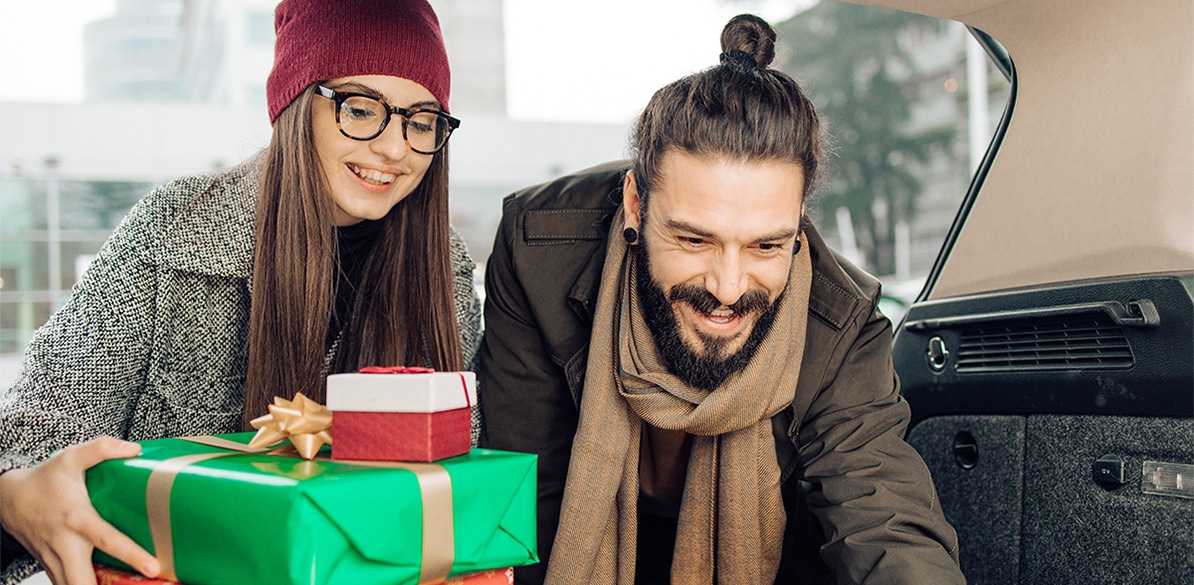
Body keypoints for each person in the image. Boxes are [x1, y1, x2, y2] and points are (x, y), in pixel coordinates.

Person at [0, 1, 481, 583]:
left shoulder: (442, 266)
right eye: (360, 108)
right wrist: (15, 493)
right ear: (296, 106)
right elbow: (36, 436)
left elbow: (464, 475)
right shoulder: (175, 227)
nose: (395, 148)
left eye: (422, 121)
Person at [478, 14, 964, 585]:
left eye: (766, 245)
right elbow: (520, 507)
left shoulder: (841, 324)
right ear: (636, 205)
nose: (728, 288)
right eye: (693, 239)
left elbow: (886, 522)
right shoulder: (538, 251)